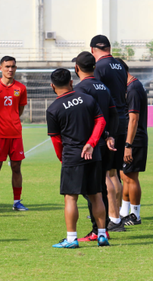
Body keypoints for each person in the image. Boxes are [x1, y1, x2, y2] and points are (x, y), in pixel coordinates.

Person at [46, 68, 109, 248]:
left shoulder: (53, 109)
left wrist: (62, 159)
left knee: (70, 198)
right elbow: (101, 121)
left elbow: (57, 140)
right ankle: (102, 235)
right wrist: (92, 143)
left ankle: (72, 239)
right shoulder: (88, 99)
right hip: (94, 154)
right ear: (71, 82)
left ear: (52, 86)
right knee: (96, 195)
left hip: (72, 157)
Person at [72, 52, 119, 241]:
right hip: (105, 143)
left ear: (77, 68)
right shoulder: (104, 88)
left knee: (89, 189)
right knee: (99, 187)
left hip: (90, 146)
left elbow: (82, 120)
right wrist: (110, 135)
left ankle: (97, 229)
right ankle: (102, 229)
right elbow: (114, 115)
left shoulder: (81, 89)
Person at [90, 35, 128, 230]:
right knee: (115, 172)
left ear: (92, 50)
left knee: (106, 173)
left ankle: (112, 218)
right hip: (122, 120)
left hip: (109, 122)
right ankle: (118, 215)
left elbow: (98, 96)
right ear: (109, 47)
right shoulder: (119, 65)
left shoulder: (100, 68)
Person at [0, 56, 28, 212]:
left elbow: (20, 110)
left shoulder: (21, 88)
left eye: (13, 67)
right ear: (0, 68)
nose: (10, 69)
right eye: (7, 66)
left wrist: (13, 120)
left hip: (16, 134)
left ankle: (17, 201)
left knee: (16, 167)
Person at [117, 59, 148, 226]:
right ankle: (124, 211)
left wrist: (128, 145)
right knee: (124, 175)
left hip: (134, 139)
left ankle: (136, 215)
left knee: (131, 177)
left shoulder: (133, 88)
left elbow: (134, 119)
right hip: (130, 138)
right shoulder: (130, 86)